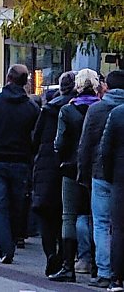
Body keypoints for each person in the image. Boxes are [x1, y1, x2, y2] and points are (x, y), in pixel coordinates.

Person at [0, 64, 40, 264]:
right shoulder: (31, 107)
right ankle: (12, 240)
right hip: (21, 160)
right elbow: (36, 136)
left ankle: (4, 246)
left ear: (8, 78)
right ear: (25, 82)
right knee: (17, 204)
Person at [49, 68, 100, 282]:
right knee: (96, 218)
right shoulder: (101, 108)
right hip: (96, 169)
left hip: (70, 166)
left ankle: (68, 266)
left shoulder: (67, 111)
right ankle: (98, 267)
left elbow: (59, 143)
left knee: (69, 216)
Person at [76, 70, 124, 288]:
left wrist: (83, 172)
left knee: (102, 223)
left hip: (100, 173)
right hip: (119, 173)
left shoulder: (97, 110)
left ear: (107, 87)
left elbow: (86, 144)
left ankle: (104, 270)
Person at [31, 71, 75, 276]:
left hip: (47, 164)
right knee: (67, 214)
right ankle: (66, 256)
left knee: (47, 214)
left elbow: (36, 137)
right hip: (70, 166)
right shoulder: (82, 108)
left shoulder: (48, 109)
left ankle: (51, 254)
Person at [99, 96, 124, 292]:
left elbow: (105, 150)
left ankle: (117, 278)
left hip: (120, 177)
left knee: (119, 229)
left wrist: (109, 176)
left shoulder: (117, 114)